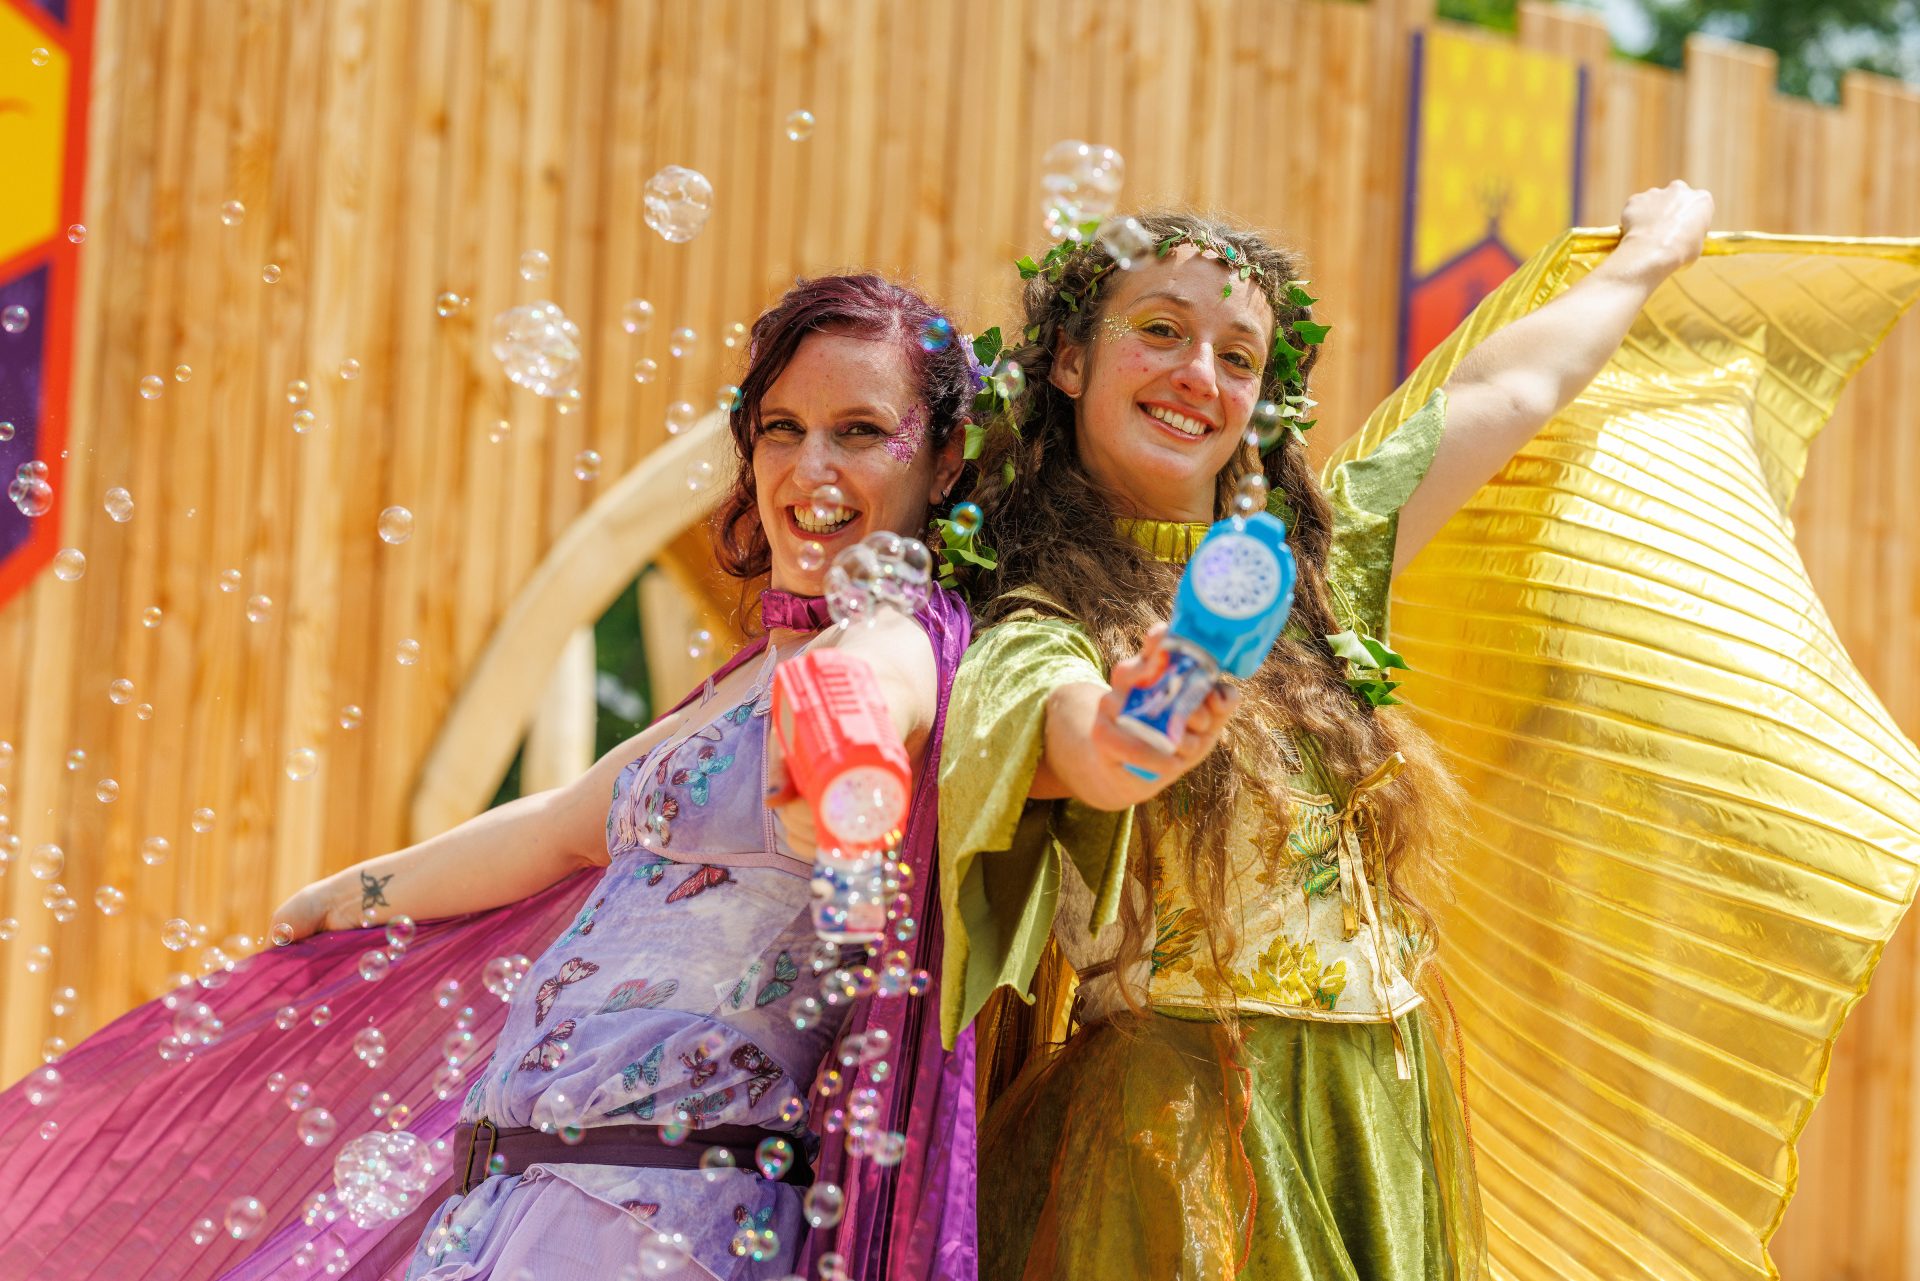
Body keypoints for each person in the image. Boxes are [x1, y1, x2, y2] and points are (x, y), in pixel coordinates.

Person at [0, 274, 979, 1281]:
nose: (812, 467)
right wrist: (351, 896)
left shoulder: (895, 640)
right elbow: (555, 826)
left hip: (653, 1219)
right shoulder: (738, 687)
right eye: (782, 429)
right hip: (516, 1199)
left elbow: (860, 699)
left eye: (861, 432)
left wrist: (844, 786)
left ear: (945, 456)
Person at [938, 187, 1714, 1280]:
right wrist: (1151, 715)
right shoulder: (1034, 624)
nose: (1198, 374)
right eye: (1159, 330)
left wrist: (1651, 253)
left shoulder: (1313, 581)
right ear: (1068, 360)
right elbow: (1091, 744)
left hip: (1378, 1117)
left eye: (1237, 357)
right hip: (1185, 1144)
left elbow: (1507, 388)